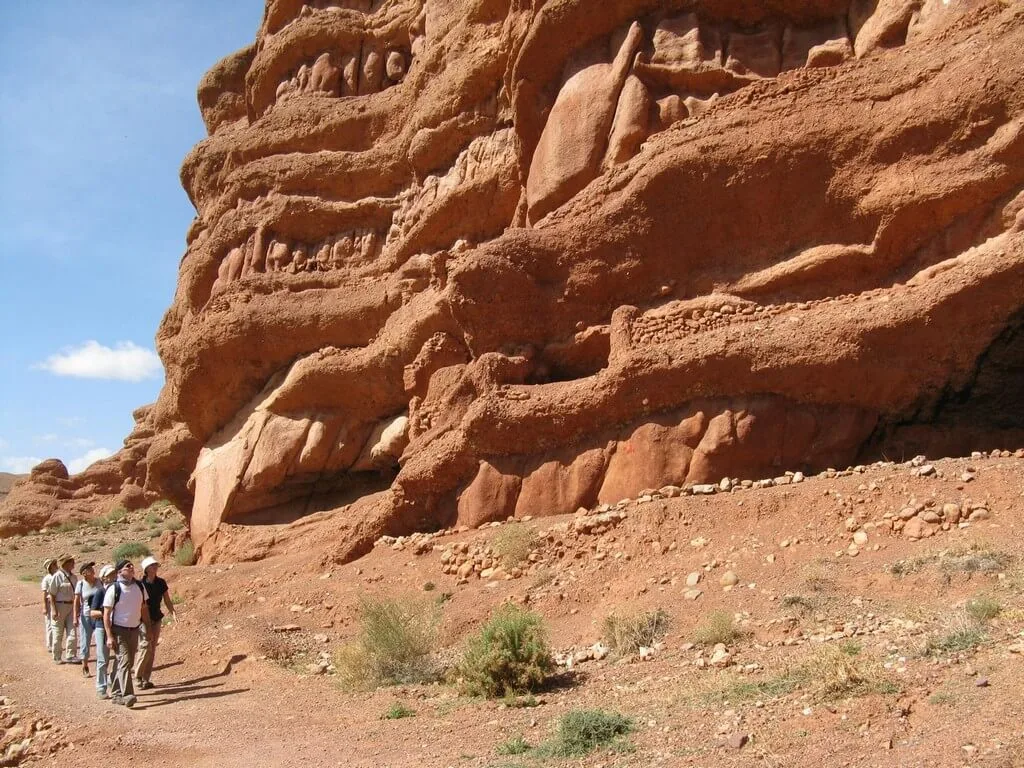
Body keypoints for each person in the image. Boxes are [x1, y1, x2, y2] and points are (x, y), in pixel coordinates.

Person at [102, 559, 150, 708]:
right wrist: (109, 636)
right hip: (119, 630)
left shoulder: (139, 587)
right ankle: (128, 694)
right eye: (127, 566)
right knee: (125, 661)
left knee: (124, 662)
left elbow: (143, 609)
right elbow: (106, 614)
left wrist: (147, 629)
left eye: (131, 566)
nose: (130, 568)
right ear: (119, 572)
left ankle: (116, 693)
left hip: (134, 629)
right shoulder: (114, 589)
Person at [135, 555, 175, 689]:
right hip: (143, 619)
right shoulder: (140, 585)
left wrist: (173, 612)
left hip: (157, 618)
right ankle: (138, 676)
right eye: (153, 566)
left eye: (156, 565)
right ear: (147, 569)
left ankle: (146, 679)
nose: (155, 567)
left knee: (152, 650)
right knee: (145, 647)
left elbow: (167, 599)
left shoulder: (161, 582)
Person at [90, 564, 116, 699]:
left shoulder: (119, 590)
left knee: (120, 657)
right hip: (101, 627)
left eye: (114, 574)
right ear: (104, 578)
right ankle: (101, 686)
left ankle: (113, 681)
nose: (114, 577)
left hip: (117, 626)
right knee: (102, 658)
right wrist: (106, 613)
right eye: (110, 575)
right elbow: (92, 612)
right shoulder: (100, 592)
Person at [47, 553, 79, 664]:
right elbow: (51, 594)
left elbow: (77, 594)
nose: (73, 564)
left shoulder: (74, 577)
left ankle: (71, 655)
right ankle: (57, 657)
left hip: (71, 606)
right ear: (66, 563)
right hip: (59, 606)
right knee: (58, 633)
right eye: (71, 562)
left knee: (72, 632)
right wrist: (54, 610)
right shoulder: (57, 576)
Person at [73, 562, 101, 677]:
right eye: (89, 569)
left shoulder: (100, 582)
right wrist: (75, 617)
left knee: (100, 640)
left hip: (99, 615)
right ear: (84, 573)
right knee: (85, 640)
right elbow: (76, 601)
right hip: (86, 616)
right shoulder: (80, 584)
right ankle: (85, 665)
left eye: (92, 568)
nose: (92, 569)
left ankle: (101, 666)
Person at [41, 558, 57, 653]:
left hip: (58, 602)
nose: (56, 566)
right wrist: (44, 607)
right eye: (54, 565)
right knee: (50, 624)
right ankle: (50, 644)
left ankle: (55, 643)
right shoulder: (47, 579)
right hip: (49, 603)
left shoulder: (59, 576)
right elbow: (44, 593)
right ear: (50, 567)